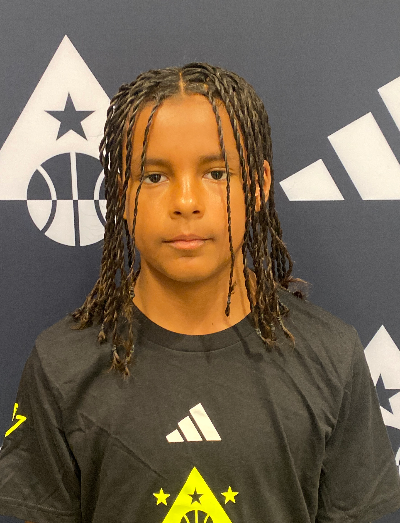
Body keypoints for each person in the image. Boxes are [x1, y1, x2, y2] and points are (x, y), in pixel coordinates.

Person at [0, 63, 399, 523]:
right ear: (121, 193)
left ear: (258, 186)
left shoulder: (331, 355)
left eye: (216, 173)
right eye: (154, 177)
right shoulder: (61, 365)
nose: (186, 201)